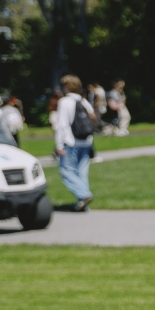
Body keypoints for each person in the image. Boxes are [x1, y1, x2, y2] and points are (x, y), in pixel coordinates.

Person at [51, 74, 98, 213]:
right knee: (82, 173)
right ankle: (83, 203)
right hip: (86, 142)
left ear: (66, 86)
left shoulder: (64, 102)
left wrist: (59, 145)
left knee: (67, 171)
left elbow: (62, 125)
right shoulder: (84, 101)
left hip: (71, 142)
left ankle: (84, 195)